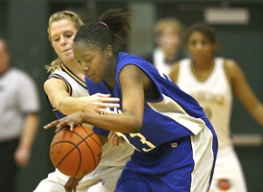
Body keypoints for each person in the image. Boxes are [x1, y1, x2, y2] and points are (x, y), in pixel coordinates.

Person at [44, 9, 218, 192]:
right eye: (79, 61)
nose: (84, 67)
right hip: (149, 154)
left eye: (88, 59)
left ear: (107, 51)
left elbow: (133, 121)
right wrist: (78, 174)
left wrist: (83, 116)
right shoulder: (94, 80)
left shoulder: (129, 70)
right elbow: (102, 133)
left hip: (186, 145)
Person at [33, 10, 134, 192]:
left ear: (81, 34)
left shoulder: (110, 66)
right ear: (53, 46)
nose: (63, 41)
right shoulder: (56, 81)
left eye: (68, 35)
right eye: (56, 39)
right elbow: (62, 102)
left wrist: (121, 124)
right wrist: (85, 104)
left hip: (121, 163)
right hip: (80, 159)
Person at [169, 23, 263, 192]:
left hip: (222, 152)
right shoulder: (178, 70)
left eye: (204, 42)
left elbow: (255, 106)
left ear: (214, 45)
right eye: (194, 42)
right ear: (187, 46)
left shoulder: (228, 69)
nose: (199, 47)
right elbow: (161, 109)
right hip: (190, 154)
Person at [0, 38, 40, 192]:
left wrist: (24, 148)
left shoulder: (20, 81)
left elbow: (32, 115)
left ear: (7, 55)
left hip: (6, 149)